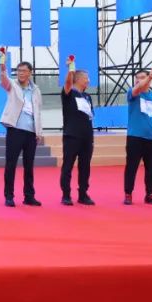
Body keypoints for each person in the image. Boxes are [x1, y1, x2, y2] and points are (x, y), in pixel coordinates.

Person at [0, 58, 44, 207]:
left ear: (30, 73)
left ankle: (29, 196)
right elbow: (4, 81)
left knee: (29, 166)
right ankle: (9, 196)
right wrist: (3, 68)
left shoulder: (36, 90)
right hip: (15, 130)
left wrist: (39, 131)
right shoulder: (12, 85)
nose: (21, 73)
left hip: (31, 132)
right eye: (19, 71)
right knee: (11, 164)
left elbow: (38, 112)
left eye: (24, 71)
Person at [124, 68, 152, 206]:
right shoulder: (133, 93)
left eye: (142, 77)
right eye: (137, 78)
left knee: (151, 168)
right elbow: (138, 88)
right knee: (132, 167)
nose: (138, 80)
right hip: (135, 137)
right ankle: (128, 193)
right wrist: (149, 77)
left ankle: (150, 194)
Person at [59, 59, 95, 206]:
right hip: (72, 136)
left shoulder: (87, 97)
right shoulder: (69, 93)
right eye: (86, 78)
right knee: (68, 166)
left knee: (85, 167)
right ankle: (66, 195)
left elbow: (90, 115)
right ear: (78, 79)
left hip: (87, 137)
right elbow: (68, 83)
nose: (88, 81)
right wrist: (71, 70)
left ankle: (83, 194)